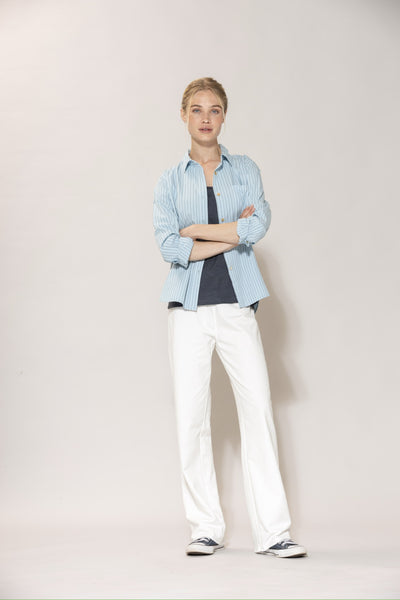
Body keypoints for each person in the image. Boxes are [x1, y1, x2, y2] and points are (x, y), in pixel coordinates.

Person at [153, 77, 307, 558]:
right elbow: (169, 247)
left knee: (257, 411)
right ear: (184, 115)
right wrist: (231, 232)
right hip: (188, 311)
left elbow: (257, 226)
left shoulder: (245, 170)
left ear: (224, 116)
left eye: (214, 109)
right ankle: (205, 527)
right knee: (191, 418)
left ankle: (274, 532)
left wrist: (197, 229)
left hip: (238, 304)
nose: (205, 117)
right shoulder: (169, 180)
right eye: (197, 109)